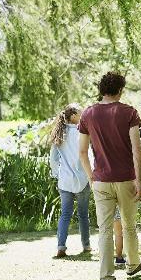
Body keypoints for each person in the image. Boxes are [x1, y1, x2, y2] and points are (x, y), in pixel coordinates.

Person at [78, 72, 141, 280]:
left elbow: (81, 151)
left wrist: (92, 178)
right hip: (126, 178)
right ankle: (133, 264)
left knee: (105, 230)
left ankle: (106, 276)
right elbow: (137, 150)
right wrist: (139, 180)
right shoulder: (129, 113)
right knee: (129, 225)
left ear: (101, 90)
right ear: (120, 90)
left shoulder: (87, 114)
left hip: (101, 180)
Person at [49, 103, 91, 258]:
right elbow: (88, 155)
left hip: (65, 180)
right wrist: (91, 175)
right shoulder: (82, 132)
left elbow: (53, 159)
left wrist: (56, 174)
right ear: (73, 116)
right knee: (83, 214)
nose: (83, 116)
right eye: (81, 113)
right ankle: (86, 246)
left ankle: (61, 246)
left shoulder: (59, 133)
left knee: (65, 214)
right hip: (82, 179)